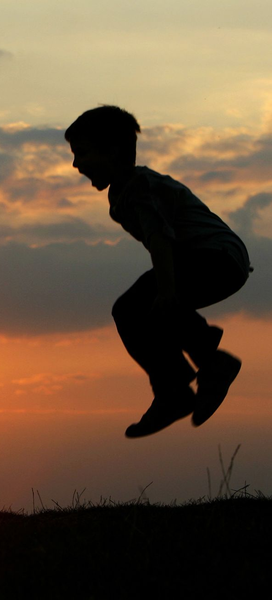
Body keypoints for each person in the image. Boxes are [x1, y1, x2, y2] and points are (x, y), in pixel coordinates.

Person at [65, 106, 251, 438]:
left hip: (212, 257)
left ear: (113, 152)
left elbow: (160, 240)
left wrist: (167, 290)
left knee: (132, 307)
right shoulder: (125, 192)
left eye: (82, 153)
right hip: (221, 258)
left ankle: (181, 387)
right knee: (150, 310)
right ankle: (198, 371)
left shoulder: (137, 188)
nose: (76, 164)